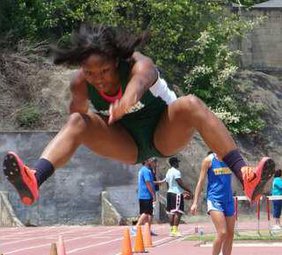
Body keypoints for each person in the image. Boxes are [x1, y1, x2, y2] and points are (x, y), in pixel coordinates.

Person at [2, 23, 275, 208]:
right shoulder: (79, 84)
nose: (98, 80)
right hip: (126, 143)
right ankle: (34, 180)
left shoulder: (139, 64)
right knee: (76, 121)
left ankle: (245, 175)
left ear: (117, 62)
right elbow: (76, 129)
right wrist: (86, 129)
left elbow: (137, 86)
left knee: (190, 103)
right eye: (90, 73)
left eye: (105, 71)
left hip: (163, 133)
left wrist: (124, 104)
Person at [190, 151, 242, 255]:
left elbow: (241, 175)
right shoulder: (208, 160)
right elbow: (201, 182)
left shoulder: (230, 160)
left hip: (228, 200)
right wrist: (195, 202)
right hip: (214, 200)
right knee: (222, 232)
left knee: (230, 234)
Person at [162, 156, 193, 237]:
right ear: (174, 163)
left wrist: (169, 190)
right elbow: (180, 183)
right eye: (177, 162)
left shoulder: (168, 171)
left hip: (169, 193)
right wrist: (189, 191)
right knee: (178, 212)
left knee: (171, 212)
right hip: (176, 194)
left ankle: (172, 230)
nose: (178, 164)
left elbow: (167, 183)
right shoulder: (176, 172)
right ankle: (175, 230)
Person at [131, 158, 156, 235]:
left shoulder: (146, 170)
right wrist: (153, 194)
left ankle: (147, 230)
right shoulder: (145, 170)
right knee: (146, 212)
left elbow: (151, 182)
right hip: (146, 195)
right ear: (146, 161)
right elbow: (148, 183)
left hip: (145, 194)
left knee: (150, 213)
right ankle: (135, 228)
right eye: (151, 159)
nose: (152, 161)